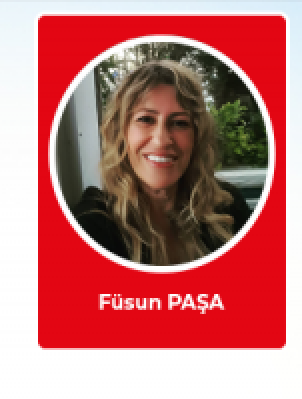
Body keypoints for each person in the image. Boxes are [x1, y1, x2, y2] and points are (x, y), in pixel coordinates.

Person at [74, 60, 252, 265]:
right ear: (122, 133)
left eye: (179, 123)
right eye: (146, 119)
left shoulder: (228, 207)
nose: (161, 140)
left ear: (197, 137)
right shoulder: (93, 224)